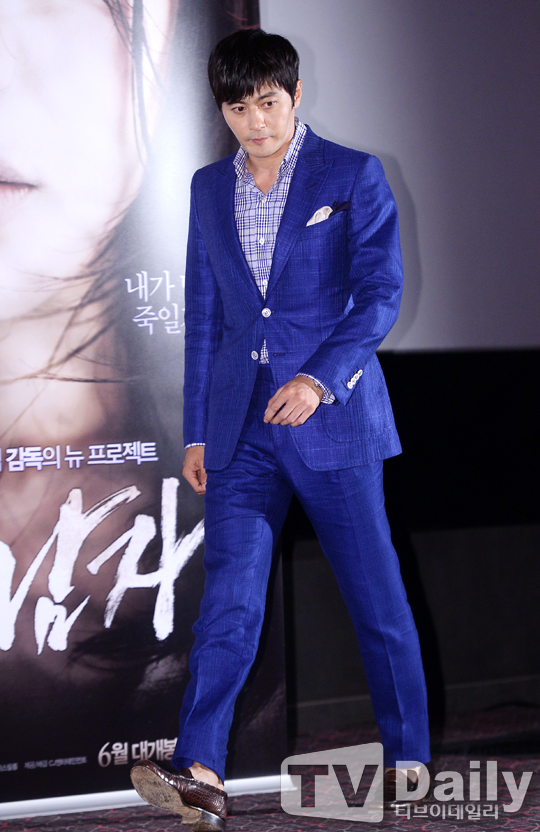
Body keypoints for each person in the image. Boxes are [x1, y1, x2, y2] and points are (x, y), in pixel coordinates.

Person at [130, 28, 430, 831]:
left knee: (376, 601)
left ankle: (408, 762)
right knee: (227, 603)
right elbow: (206, 317)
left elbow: (379, 294)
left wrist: (317, 377)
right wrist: (198, 433)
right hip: (240, 431)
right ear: (222, 110)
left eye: (268, 102)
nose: (255, 121)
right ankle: (201, 770)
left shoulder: (351, 174)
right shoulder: (207, 187)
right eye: (238, 107)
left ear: (295, 95)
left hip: (331, 420)